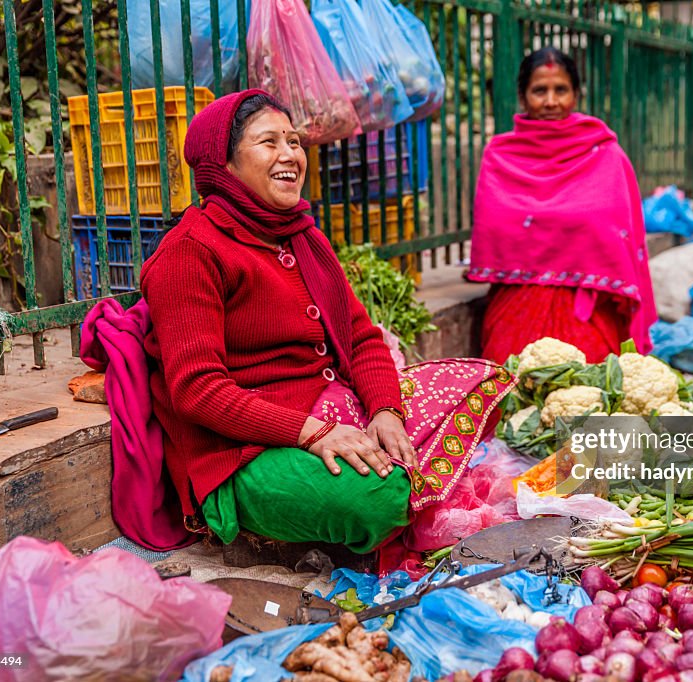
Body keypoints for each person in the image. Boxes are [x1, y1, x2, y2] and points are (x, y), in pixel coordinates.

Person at [141, 90, 513, 554]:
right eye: (268, 142)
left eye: (294, 142)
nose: (289, 155)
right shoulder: (189, 251)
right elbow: (199, 390)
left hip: (333, 408)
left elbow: (360, 338)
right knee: (381, 499)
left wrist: (385, 412)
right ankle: (273, 528)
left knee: (483, 382)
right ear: (225, 166)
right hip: (245, 451)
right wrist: (313, 432)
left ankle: (387, 485)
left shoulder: (300, 234)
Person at [467, 47, 657, 364]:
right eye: (540, 91)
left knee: (590, 396)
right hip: (518, 305)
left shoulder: (604, 153)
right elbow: (495, 228)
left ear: (576, 95)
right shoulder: (501, 156)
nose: (551, 101)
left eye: (561, 90)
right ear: (523, 97)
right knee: (508, 391)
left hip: (586, 312)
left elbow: (619, 234)